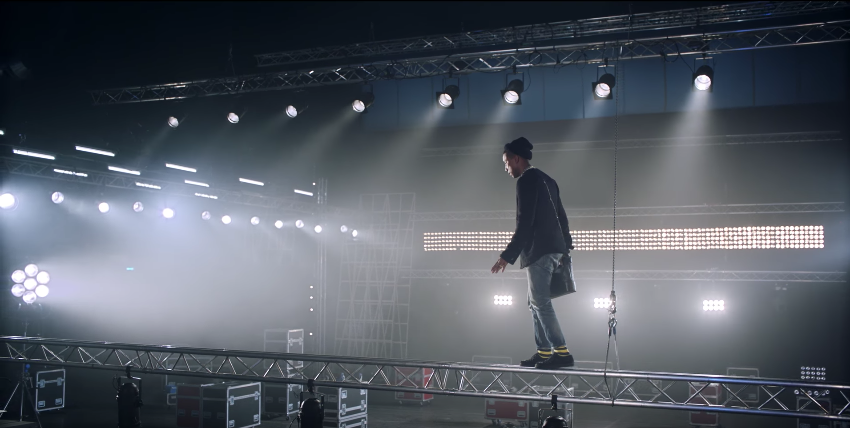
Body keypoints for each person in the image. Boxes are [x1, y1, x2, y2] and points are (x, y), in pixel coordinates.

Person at [490, 137, 575, 369]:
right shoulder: (548, 180)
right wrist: (566, 249)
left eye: (507, 162)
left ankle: (562, 352)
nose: (506, 168)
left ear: (517, 159)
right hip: (553, 248)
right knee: (534, 302)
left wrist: (507, 255)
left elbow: (524, 222)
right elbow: (562, 218)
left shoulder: (526, 181)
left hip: (540, 250)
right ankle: (544, 351)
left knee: (540, 302)